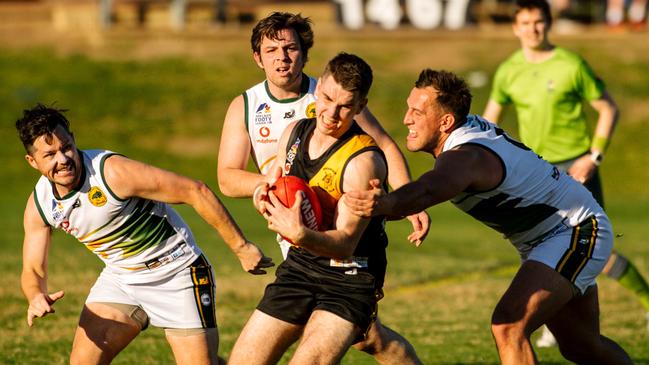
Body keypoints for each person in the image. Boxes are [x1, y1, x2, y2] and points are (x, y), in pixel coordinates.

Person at [344, 69, 633, 364]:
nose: (406, 119)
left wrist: (385, 203)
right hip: (551, 237)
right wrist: (385, 205)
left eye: (417, 112)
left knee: (508, 325)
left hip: (575, 230)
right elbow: (425, 191)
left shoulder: (466, 156)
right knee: (581, 347)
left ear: (446, 121)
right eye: (409, 108)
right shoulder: (461, 136)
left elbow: (428, 190)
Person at [217, 12, 425, 364]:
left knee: (353, 338)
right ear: (258, 57)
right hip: (297, 240)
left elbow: (386, 147)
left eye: (290, 48)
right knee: (365, 336)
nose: (282, 57)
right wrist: (272, 191)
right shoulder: (260, 113)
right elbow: (227, 176)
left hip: (345, 257)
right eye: (272, 50)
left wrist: (407, 200)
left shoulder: (340, 106)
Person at [16, 104, 274, 365]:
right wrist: (35, 295)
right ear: (32, 161)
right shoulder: (41, 204)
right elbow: (33, 269)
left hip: (178, 273)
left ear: (73, 139)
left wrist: (241, 247)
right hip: (122, 280)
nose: (62, 159)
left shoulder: (111, 173)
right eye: (49, 155)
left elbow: (195, 191)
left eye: (66, 147)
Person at [483, 0, 649, 347]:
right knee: (540, 249)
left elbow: (608, 108)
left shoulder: (571, 64)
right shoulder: (507, 71)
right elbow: (489, 125)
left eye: (539, 21)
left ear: (549, 23)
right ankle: (555, 322)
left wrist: (594, 156)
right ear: (515, 27)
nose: (533, 29)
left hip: (577, 168)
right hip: (535, 173)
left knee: (594, 252)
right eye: (526, 22)